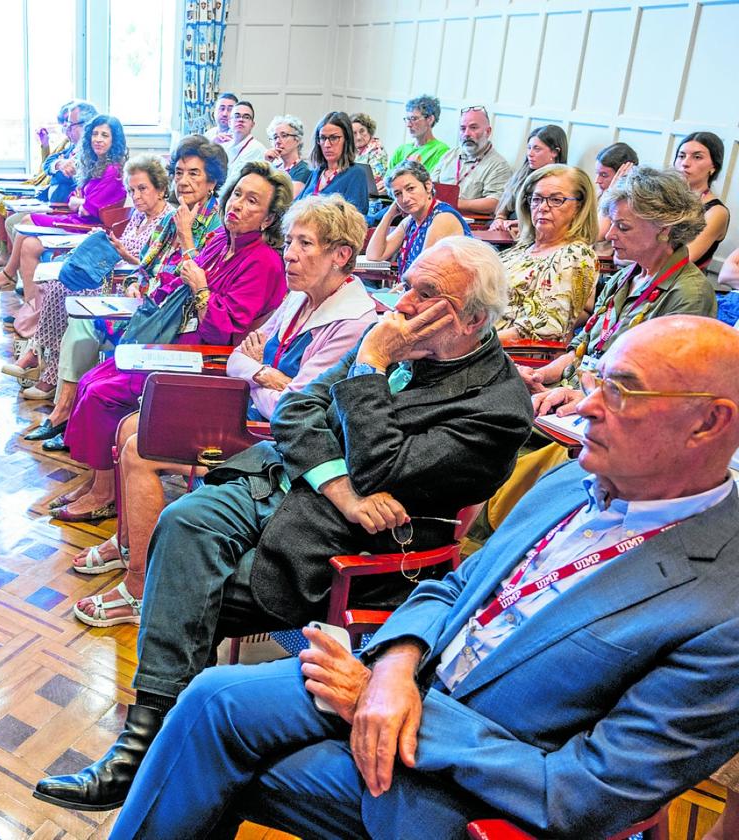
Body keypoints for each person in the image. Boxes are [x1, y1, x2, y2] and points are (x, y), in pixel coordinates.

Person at [109, 315, 739, 840]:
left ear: (709, 423)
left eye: (622, 391)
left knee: (210, 758)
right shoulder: (575, 481)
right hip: (404, 680)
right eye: (596, 380)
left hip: (471, 779)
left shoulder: (723, 607)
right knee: (212, 699)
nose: (587, 407)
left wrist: (396, 708)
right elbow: (451, 586)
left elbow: (587, 793)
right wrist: (391, 667)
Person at [33, 236, 535, 810]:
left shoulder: (495, 406)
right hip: (293, 486)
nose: (403, 305)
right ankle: (154, 743)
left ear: (470, 319)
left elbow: (382, 467)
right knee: (184, 520)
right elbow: (300, 408)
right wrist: (341, 487)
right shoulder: (397, 339)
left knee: (189, 586)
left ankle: (151, 751)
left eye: (426, 294)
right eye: (408, 286)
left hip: (353, 546)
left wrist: (371, 367)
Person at [71, 195, 379, 627]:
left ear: (340, 255)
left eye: (304, 244)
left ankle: (142, 588)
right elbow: (240, 357)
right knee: (128, 427)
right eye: (289, 240)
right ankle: (128, 548)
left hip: (278, 442)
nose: (288, 253)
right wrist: (264, 373)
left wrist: (260, 373)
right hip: (250, 408)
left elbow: (294, 409)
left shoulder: (352, 322)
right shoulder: (300, 295)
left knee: (142, 447)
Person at [49, 161, 290, 523]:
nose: (238, 204)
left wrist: (198, 276)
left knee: (104, 393)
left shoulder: (264, 262)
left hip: (210, 363)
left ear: (269, 219)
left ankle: (103, 494)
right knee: (93, 377)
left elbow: (223, 330)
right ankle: (101, 483)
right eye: (237, 193)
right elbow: (180, 279)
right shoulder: (223, 240)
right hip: (179, 345)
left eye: (253, 201)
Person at [35, 136, 227, 452]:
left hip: (174, 324)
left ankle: (70, 416)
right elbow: (146, 269)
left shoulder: (214, 225)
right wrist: (134, 284)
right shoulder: (179, 214)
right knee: (78, 319)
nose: (184, 181)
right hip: (147, 306)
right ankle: (65, 412)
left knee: (84, 323)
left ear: (213, 180)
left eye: (194, 173)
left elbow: (196, 283)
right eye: (179, 172)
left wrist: (184, 237)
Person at [524, 166, 717, 417]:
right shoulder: (625, 276)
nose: (610, 234)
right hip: (572, 395)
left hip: (618, 415)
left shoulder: (690, 294)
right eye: (612, 223)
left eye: (623, 227)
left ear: (664, 229)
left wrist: (587, 396)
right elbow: (584, 346)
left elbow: (660, 384)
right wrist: (543, 373)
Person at [7, 155, 174, 405]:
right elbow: (125, 250)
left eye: (142, 189)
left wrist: (120, 251)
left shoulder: (167, 220)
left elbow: (149, 266)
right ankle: (41, 359)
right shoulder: (140, 216)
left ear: (161, 189)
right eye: (132, 190)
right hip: (113, 276)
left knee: (68, 289)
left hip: (130, 288)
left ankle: (41, 362)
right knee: (61, 281)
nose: (136, 196)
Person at [0, 114, 126, 292]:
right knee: (25, 231)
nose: (98, 139)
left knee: (27, 221)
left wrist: (80, 202)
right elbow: (73, 196)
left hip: (90, 228)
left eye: (104, 135)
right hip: (78, 219)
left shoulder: (112, 169)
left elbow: (87, 210)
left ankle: (9, 273)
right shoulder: (94, 162)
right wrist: (78, 201)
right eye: (95, 134)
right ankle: (24, 294)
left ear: (115, 140)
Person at [0, 100, 90, 274]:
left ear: (85, 125)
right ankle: (14, 270)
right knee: (8, 209)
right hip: (49, 200)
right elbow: (48, 164)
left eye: (69, 124)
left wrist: (58, 168)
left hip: (60, 210)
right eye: (65, 123)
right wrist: (58, 162)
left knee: (15, 219)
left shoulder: (87, 151)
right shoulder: (70, 145)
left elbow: (62, 176)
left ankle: (14, 273)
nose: (66, 128)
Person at [496, 164, 599, 342]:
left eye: (556, 200)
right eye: (536, 199)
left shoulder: (575, 254)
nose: (543, 207)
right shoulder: (523, 247)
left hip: (508, 353)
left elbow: (545, 328)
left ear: (579, 207)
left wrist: (475, 345)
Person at [366, 160, 471, 274]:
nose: (405, 198)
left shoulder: (442, 218)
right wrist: (389, 215)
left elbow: (423, 272)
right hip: (415, 287)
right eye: (398, 194)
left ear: (428, 185)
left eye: (410, 189)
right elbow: (374, 255)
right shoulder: (410, 221)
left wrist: (398, 290)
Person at [434, 105, 513, 215]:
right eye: (462, 128)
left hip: (470, 222)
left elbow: (495, 202)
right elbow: (430, 186)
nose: (466, 134)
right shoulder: (449, 155)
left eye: (473, 127)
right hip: (437, 214)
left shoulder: (499, 166)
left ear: (488, 131)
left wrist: (454, 203)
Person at [490, 124, 567, 232]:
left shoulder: (563, 181)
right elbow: (503, 211)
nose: (530, 154)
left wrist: (521, 224)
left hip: (535, 233)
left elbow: (556, 221)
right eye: (529, 148)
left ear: (555, 152)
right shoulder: (522, 174)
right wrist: (499, 220)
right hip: (508, 230)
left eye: (537, 149)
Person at [673, 131, 730, 270]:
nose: (685, 163)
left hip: (680, 286)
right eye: (681, 156)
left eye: (697, 157)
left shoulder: (716, 212)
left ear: (713, 167)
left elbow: (682, 259)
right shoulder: (665, 197)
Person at [296, 112, 369, 214]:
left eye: (334, 138)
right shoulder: (317, 172)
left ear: (347, 140)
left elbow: (355, 220)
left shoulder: (356, 174)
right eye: (322, 138)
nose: (326, 144)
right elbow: (294, 208)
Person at [387, 95, 449, 175]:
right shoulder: (401, 150)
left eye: (414, 119)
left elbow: (430, 183)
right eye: (407, 119)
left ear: (430, 119)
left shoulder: (441, 151)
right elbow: (387, 180)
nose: (408, 125)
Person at [219, 100, 266, 190]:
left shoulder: (258, 149)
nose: (241, 120)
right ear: (229, 122)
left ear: (252, 124)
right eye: (237, 116)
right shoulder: (223, 148)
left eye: (246, 117)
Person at [262, 114, 310, 197]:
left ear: (297, 140)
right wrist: (267, 164)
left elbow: (288, 200)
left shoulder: (303, 170)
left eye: (284, 136)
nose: (278, 141)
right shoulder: (274, 167)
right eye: (275, 137)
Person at [351, 112, 389, 194]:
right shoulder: (352, 149)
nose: (358, 137)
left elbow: (373, 183)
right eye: (354, 133)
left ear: (369, 131)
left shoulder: (378, 151)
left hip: (371, 196)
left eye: (362, 131)